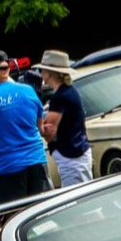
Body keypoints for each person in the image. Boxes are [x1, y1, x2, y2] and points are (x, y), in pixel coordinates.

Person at [0, 49, 50, 203]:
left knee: (12, 218)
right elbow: (40, 125)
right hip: (37, 163)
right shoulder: (28, 91)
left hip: (6, 169)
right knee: (45, 213)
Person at [34, 50, 92, 187]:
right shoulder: (69, 91)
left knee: (77, 200)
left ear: (49, 73)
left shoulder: (60, 97)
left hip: (71, 157)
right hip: (78, 152)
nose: (40, 73)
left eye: (42, 70)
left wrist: (37, 121)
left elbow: (48, 132)